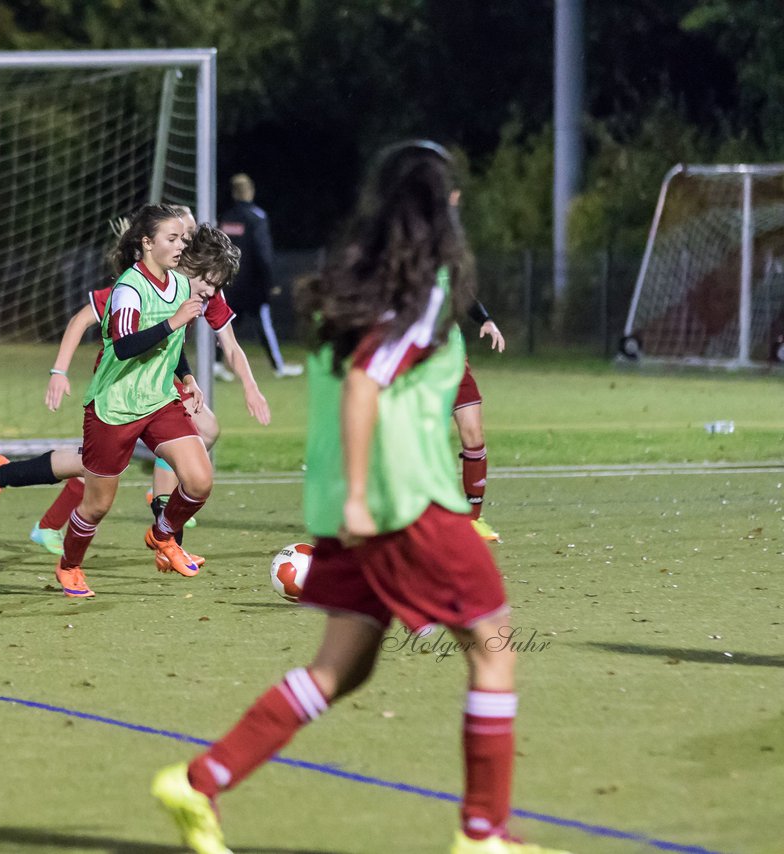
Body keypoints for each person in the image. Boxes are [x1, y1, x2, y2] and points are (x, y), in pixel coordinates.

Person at [150, 141, 570, 854]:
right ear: (444, 207)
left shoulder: (363, 280)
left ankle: (199, 783)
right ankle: (482, 836)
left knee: (340, 668)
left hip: (360, 505)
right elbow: (366, 382)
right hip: (405, 505)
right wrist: (359, 504)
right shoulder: (426, 286)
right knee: (496, 648)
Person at [0, 224, 271, 559]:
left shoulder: (202, 290)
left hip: (159, 383)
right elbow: (84, 321)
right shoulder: (135, 285)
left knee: (203, 430)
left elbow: (212, 345)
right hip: (120, 384)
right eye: (175, 239)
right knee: (93, 466)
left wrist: (237, 385)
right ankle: (14, 482)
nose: (213, 293)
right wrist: (59, 371)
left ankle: (163, 518)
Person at [215, 173, 303, 380]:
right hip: (252, 284)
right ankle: (278, 367)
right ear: (250, 191)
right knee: (263, 325)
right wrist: (270, 282)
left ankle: (215, 364)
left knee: (224, 324)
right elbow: (263, 253)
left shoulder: (226, 218)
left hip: (229, 282)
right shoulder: (257, 217)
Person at [456, 301, 505, 543]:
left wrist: (486, 319)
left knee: (474, 437)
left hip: (452, 364)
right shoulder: (401, 269)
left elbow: (462, 293)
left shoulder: (444, 266)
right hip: (416, 365)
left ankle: (473, 520)